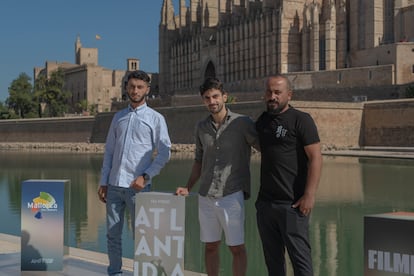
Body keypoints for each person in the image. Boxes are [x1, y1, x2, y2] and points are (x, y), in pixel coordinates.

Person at [175, 77, 259, 276]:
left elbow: (264, 147)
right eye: (207, 98)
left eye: (215, 96)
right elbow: (198, 160)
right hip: (205, 195)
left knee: (236, 248)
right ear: (203, 100)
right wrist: (188, 187)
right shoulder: (201, 127)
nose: (212, 101)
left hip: (231, 195)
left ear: (224, 97)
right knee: (210, 246)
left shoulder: (243, 123)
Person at [98, 70, 171, 276]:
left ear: (147, 89)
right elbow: (110, 151)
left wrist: (146, 176)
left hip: (138, 188)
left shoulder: (156, 119)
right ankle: (114, 273)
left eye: (140, 87)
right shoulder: (118, 118)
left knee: (144, 236)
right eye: (132, 86)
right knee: (113, 235)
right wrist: (103, 181)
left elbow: (164, 153)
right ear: (126, 88)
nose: (135, 90)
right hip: (114, 186)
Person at [255, 74, 322, 276]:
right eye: (269, 92)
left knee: (301, 263)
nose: (272, 96)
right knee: (273, 263)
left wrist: (309, 195)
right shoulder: (262, 121)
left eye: (277, 92)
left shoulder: (301, 120)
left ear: (289, 95)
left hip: (293, 205)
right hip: (266, 205)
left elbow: (316, 158)